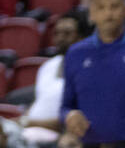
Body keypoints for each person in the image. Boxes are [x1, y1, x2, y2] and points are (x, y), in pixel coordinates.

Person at [60, 0, 125, 145]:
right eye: (101, 7)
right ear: (92, 13)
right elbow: (65, 106)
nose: (108, 14)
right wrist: (69, 116)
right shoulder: (76, 53)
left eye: (114, 7)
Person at [22, 13, 83, 145]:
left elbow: (73, 119)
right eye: (57, 33)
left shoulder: (87, 68)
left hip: (60, 135)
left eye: (67, 33)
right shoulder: (48, 65)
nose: (60, 38)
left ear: (82, 37)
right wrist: (23, 119)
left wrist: (27, 122)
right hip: (31, 129)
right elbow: (38, 101)